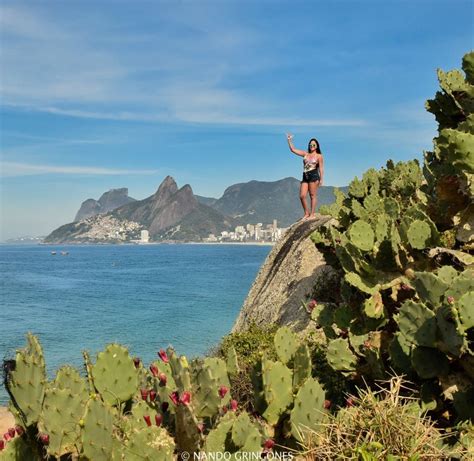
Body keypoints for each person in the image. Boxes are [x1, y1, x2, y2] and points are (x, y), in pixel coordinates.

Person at [286, 133, 324, 221]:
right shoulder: (305, 154)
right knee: (302, 195)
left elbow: (321, 168)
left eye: (314, 145)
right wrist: (289, 140)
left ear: (317, 146)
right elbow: (293, 149)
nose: (312, 146)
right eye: (310, 145)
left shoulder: (319, 156)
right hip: (305, 176)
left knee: (312, 195)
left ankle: (312, 214)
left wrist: (321, 179)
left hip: (314, 175)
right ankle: (306, 213)